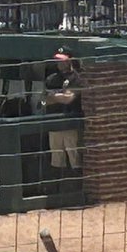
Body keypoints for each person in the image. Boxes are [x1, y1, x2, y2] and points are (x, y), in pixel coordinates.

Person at [43, 49, 83, 188]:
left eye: (62, 60)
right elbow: (43, 100)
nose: (59, 63)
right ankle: (57, 191)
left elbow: (68, 99)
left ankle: (76, 190)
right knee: (56, 159)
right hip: (54, 124)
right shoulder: (51, 78)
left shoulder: (76, 78)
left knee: (74, 157)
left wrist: (54, 97)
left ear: (70, 60)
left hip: (70, 123)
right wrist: (57, 97)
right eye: (57, 60)